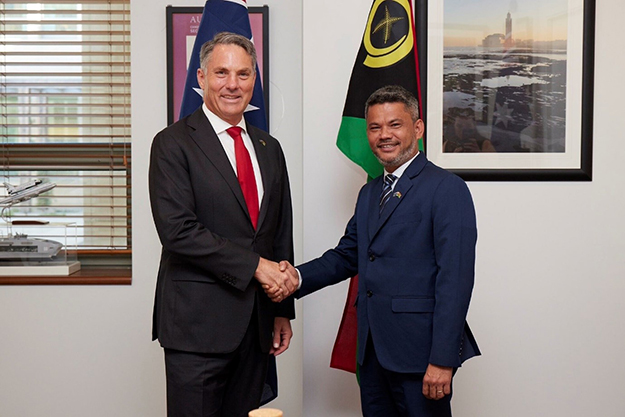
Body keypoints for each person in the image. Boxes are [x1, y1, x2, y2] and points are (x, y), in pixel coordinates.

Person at [278, 85, 480, 416]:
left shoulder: (447, 189)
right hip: (372, 354)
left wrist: (443, 359)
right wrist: (295, 277)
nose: (384, 135)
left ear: (417, 128)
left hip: (421, 357)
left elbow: (455, 281)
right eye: (374, 127)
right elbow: (347, 255)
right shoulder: (370, 193)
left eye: (394, 124)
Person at [149, 32, 298, 417]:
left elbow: (279, 232)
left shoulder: (269, 147)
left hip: (256, 327)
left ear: (254, 82)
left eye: (244, 74)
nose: (233, 84)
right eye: (221, 73)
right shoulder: (172, 144)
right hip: (196, 330)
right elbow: (178, 231)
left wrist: (282, 309)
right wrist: (257, 268)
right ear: (200, 78)